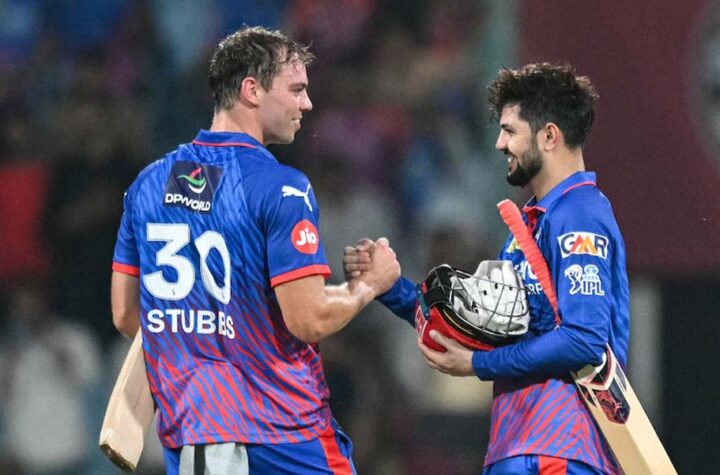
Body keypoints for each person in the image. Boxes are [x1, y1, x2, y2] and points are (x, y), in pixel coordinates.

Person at [110, 26, 400, 475]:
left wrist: (203, 348)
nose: (307, 104)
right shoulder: (281, 187)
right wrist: (368, 286)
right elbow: (308, 319)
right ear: (252, 90)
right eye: (296, 90)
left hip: (196, 431)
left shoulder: (148, 184)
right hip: (283, 433)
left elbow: (127, 315)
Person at [346, 63, 628, 474]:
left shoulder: (580, 214)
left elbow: (584, 340)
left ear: (549, 136)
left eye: (510, 131)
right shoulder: (532, 225)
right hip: (520, 445)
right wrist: (391, 288)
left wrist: (478, 365)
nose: (499, 143)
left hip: (561, 450)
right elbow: (477, 325)